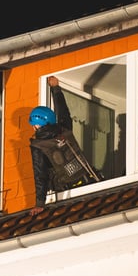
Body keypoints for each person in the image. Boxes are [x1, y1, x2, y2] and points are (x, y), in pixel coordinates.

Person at [28, 75, 102, 216]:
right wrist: (56, 89)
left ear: (37, 125)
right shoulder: (64, 130)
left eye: (33, 125)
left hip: (65, 192)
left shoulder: (38, 146)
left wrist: (39, 203)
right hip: (87, 180)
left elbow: (40, 174)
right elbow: (63, 112)